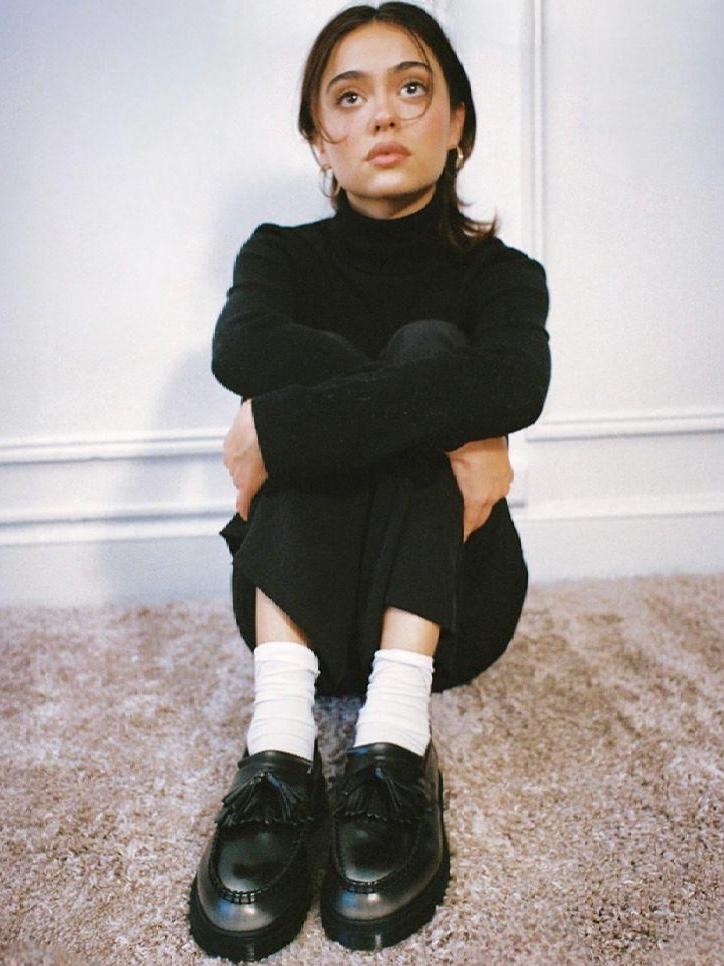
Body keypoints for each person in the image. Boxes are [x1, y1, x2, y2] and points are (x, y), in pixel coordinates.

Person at [188, 2, 551, 960]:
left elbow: (518, 381)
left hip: (454, 613)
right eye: (349, 97)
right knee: (386, 363)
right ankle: (278, 745)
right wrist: (446, 418)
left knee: (423, 343)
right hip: (297, 612)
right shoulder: (279, 256)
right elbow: (240, 347)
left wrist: (286, 425)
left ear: (457, 121)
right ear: (321, 137)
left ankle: (395, 739)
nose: (382, 114)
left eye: (412, 88)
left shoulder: (504, 275)